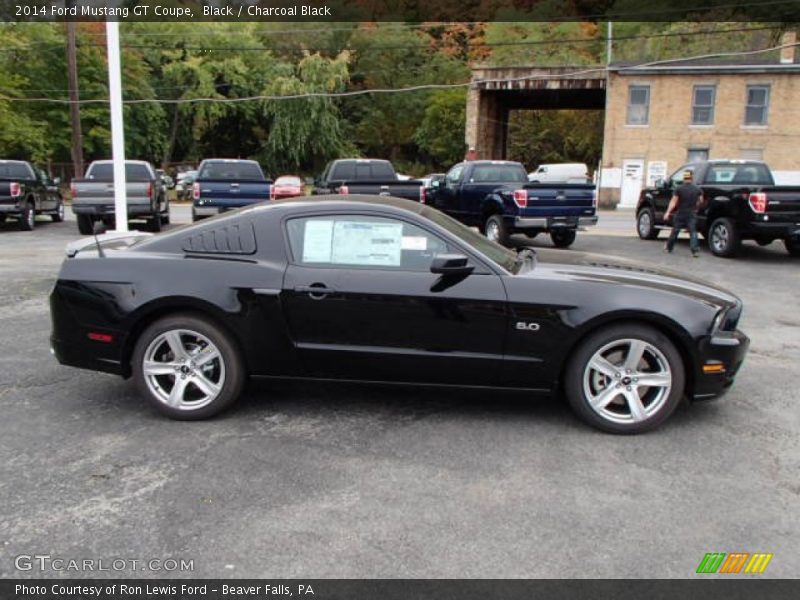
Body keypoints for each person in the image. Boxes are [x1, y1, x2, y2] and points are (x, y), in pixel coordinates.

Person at [664, 170, 704, 257]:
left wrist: (667, 212)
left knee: (675, 231)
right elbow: (701, 201)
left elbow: (673, 202)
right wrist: (696, 207)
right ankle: (695, 251)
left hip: (681, 213)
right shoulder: (697, 189)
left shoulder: (679, 188)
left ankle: (669, 247)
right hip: (691, 213)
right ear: (692, 178)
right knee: (693, 232)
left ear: (684, 178)